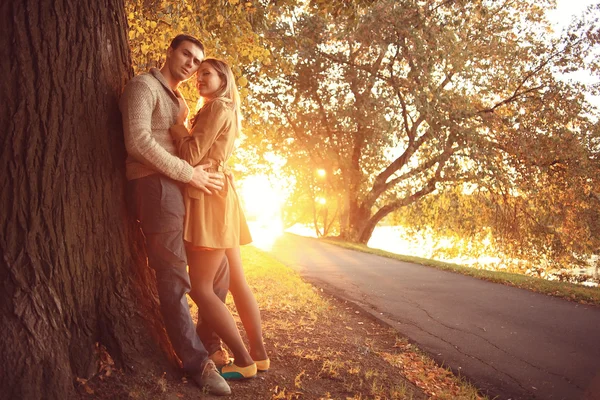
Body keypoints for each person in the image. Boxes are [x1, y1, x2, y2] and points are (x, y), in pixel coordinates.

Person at [120, 34, 231, 396]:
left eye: (198, 60)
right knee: (172, 275)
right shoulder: (142, 86)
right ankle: (198, 363)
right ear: (170, 52)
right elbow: (137, 141)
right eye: (186, 54)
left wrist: (206, 173)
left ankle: (207, 339)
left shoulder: (181, 102)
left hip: (182, 188)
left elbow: (193, 148)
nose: (191, 64)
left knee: (218, 267)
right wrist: (190, 175)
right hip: (154, 186)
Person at [169, 58, 269, 380]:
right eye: (197, 75)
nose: (199, 78)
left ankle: (243, 361)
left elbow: (190, 156)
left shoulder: (214, 109)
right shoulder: (229, 109)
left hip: (209, 199)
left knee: (200, 288)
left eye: (206, 73)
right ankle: (259, 354)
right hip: (223, 196)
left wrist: (178, 124)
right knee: (237, 281)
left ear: (223, 77)